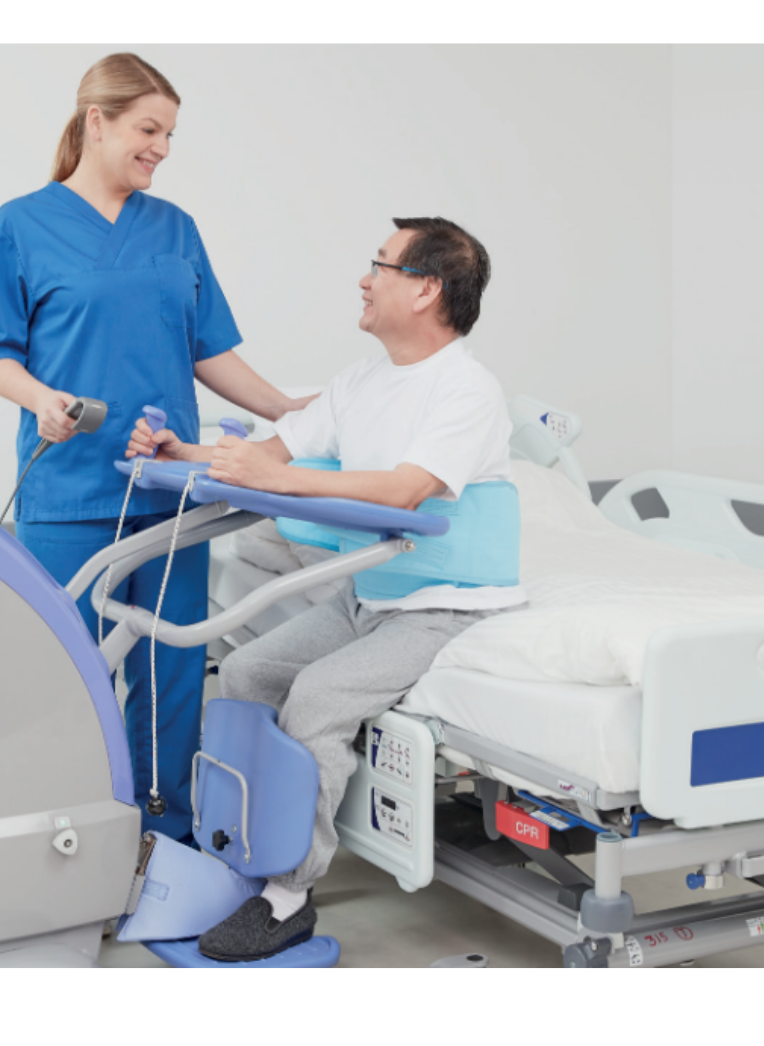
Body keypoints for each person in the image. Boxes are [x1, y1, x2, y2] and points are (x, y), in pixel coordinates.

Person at [126, 217, 527, 960]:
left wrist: (277, 476)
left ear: (426, 289)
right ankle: (238, 848)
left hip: (444, 605)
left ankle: (288, 895)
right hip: (368, 594)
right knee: (244, 672)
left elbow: (404, 490)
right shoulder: (361, 381)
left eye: (379, 265)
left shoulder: (467, 389)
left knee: (315, 698)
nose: (364, 279)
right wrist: (185, 451)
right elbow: (272, 453)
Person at [0, 53, 312, 844]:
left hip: (168, 491)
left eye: (170, 134)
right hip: (68, 492)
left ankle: (168, 837)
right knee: (70, 676)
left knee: (172, 669)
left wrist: (287, 408)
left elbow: (209, 349)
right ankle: (76, 840)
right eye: (149, 129)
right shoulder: (20, 225)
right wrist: (40, 399)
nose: (161, 148)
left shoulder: (174, 229)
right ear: (98, 121)